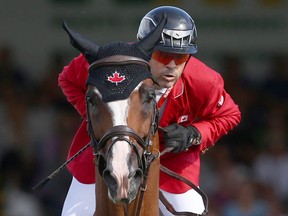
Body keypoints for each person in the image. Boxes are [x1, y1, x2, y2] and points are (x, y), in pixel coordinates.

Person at [59, 6, 241, 216]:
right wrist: (100, 119)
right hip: (105, 159)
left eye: (181, 58)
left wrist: (195, 134)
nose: (172, 66)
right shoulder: (112, 62)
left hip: (171, 162)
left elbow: (230, 114)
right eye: (163, 56)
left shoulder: (203, 80)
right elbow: (68, 79)